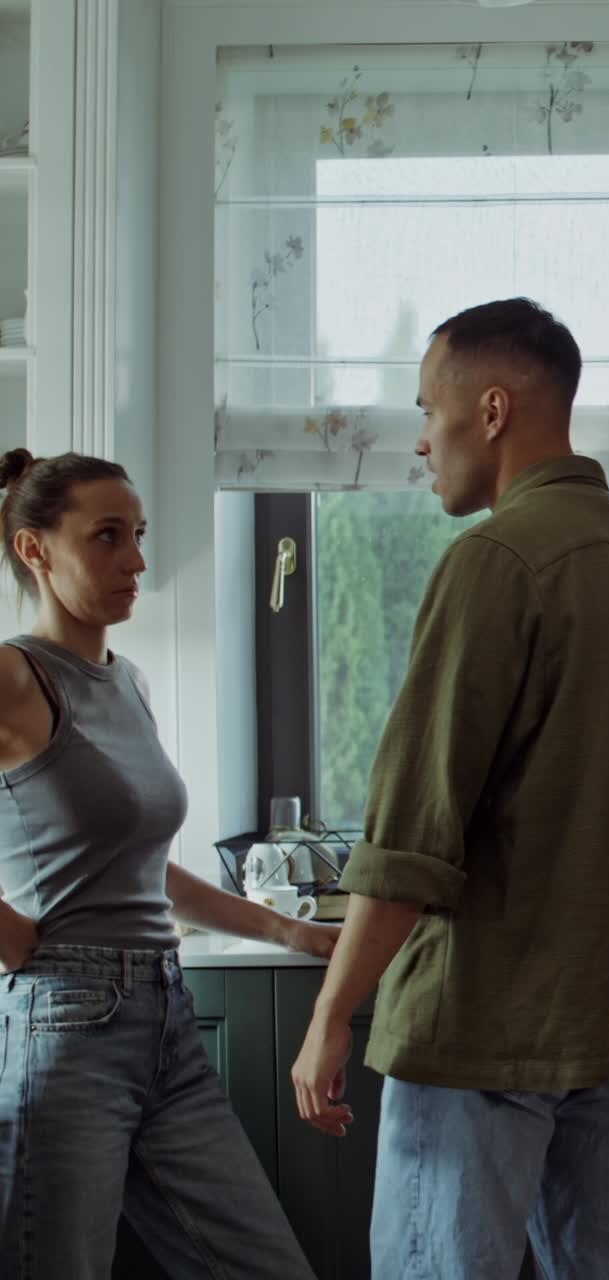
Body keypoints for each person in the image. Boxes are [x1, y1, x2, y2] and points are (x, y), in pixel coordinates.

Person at [291, 298, 609, 1279]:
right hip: (606, 1026)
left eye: (426, 410)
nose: (419, 442)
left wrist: (328, 1018)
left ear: (490, 409)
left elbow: (413, 832)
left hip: (484, 1024)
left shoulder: (494, 560)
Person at [0, 447, 339, 1279]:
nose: (139, 561)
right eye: (108, 536)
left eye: (140, 534)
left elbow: (138, 863)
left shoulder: (131, 684)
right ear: (34, 549)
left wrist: (294, 932)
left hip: (166, 1024)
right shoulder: (13, 675)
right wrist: (12, 939)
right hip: (65, 1021)